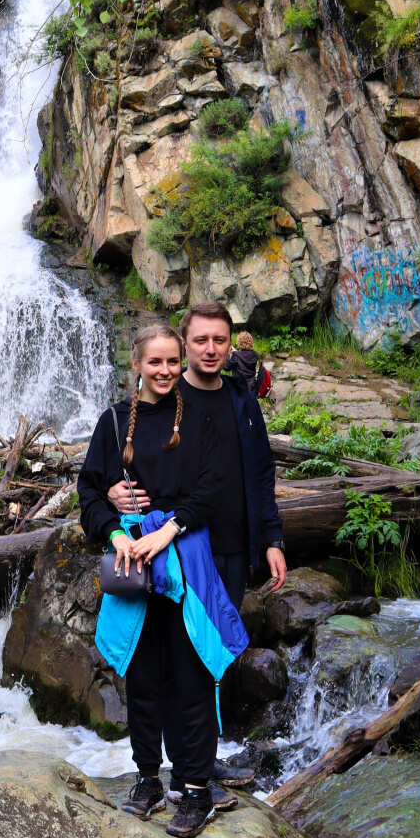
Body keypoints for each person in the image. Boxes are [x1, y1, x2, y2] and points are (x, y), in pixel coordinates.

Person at [108, 302, 286, 799]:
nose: (211, 349)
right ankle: (182, 764)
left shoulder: (240, 398)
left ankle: (201, 759)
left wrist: (272, 539)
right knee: (174, 657)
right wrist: (111, 495)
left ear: (232, 345)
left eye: (220, 341)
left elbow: (260, 472)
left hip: (233, 545)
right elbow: (124, 462)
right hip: (179, 551)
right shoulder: (168, 397)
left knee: (209, 654)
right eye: (201, 340)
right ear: (183, 344)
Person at [78, 323, 248, 838]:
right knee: (144, 674)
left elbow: (214, 489)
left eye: (173, 361)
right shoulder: (112, 422)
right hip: (133, 560)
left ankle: (196, 790)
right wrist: (115, 533)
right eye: (156, 362)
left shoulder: (199, 416)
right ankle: (149, 779)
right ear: (137, 365)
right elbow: (88, 490)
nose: (166, 371)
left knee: (191, 673)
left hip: (185, 557)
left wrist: (168, 531)